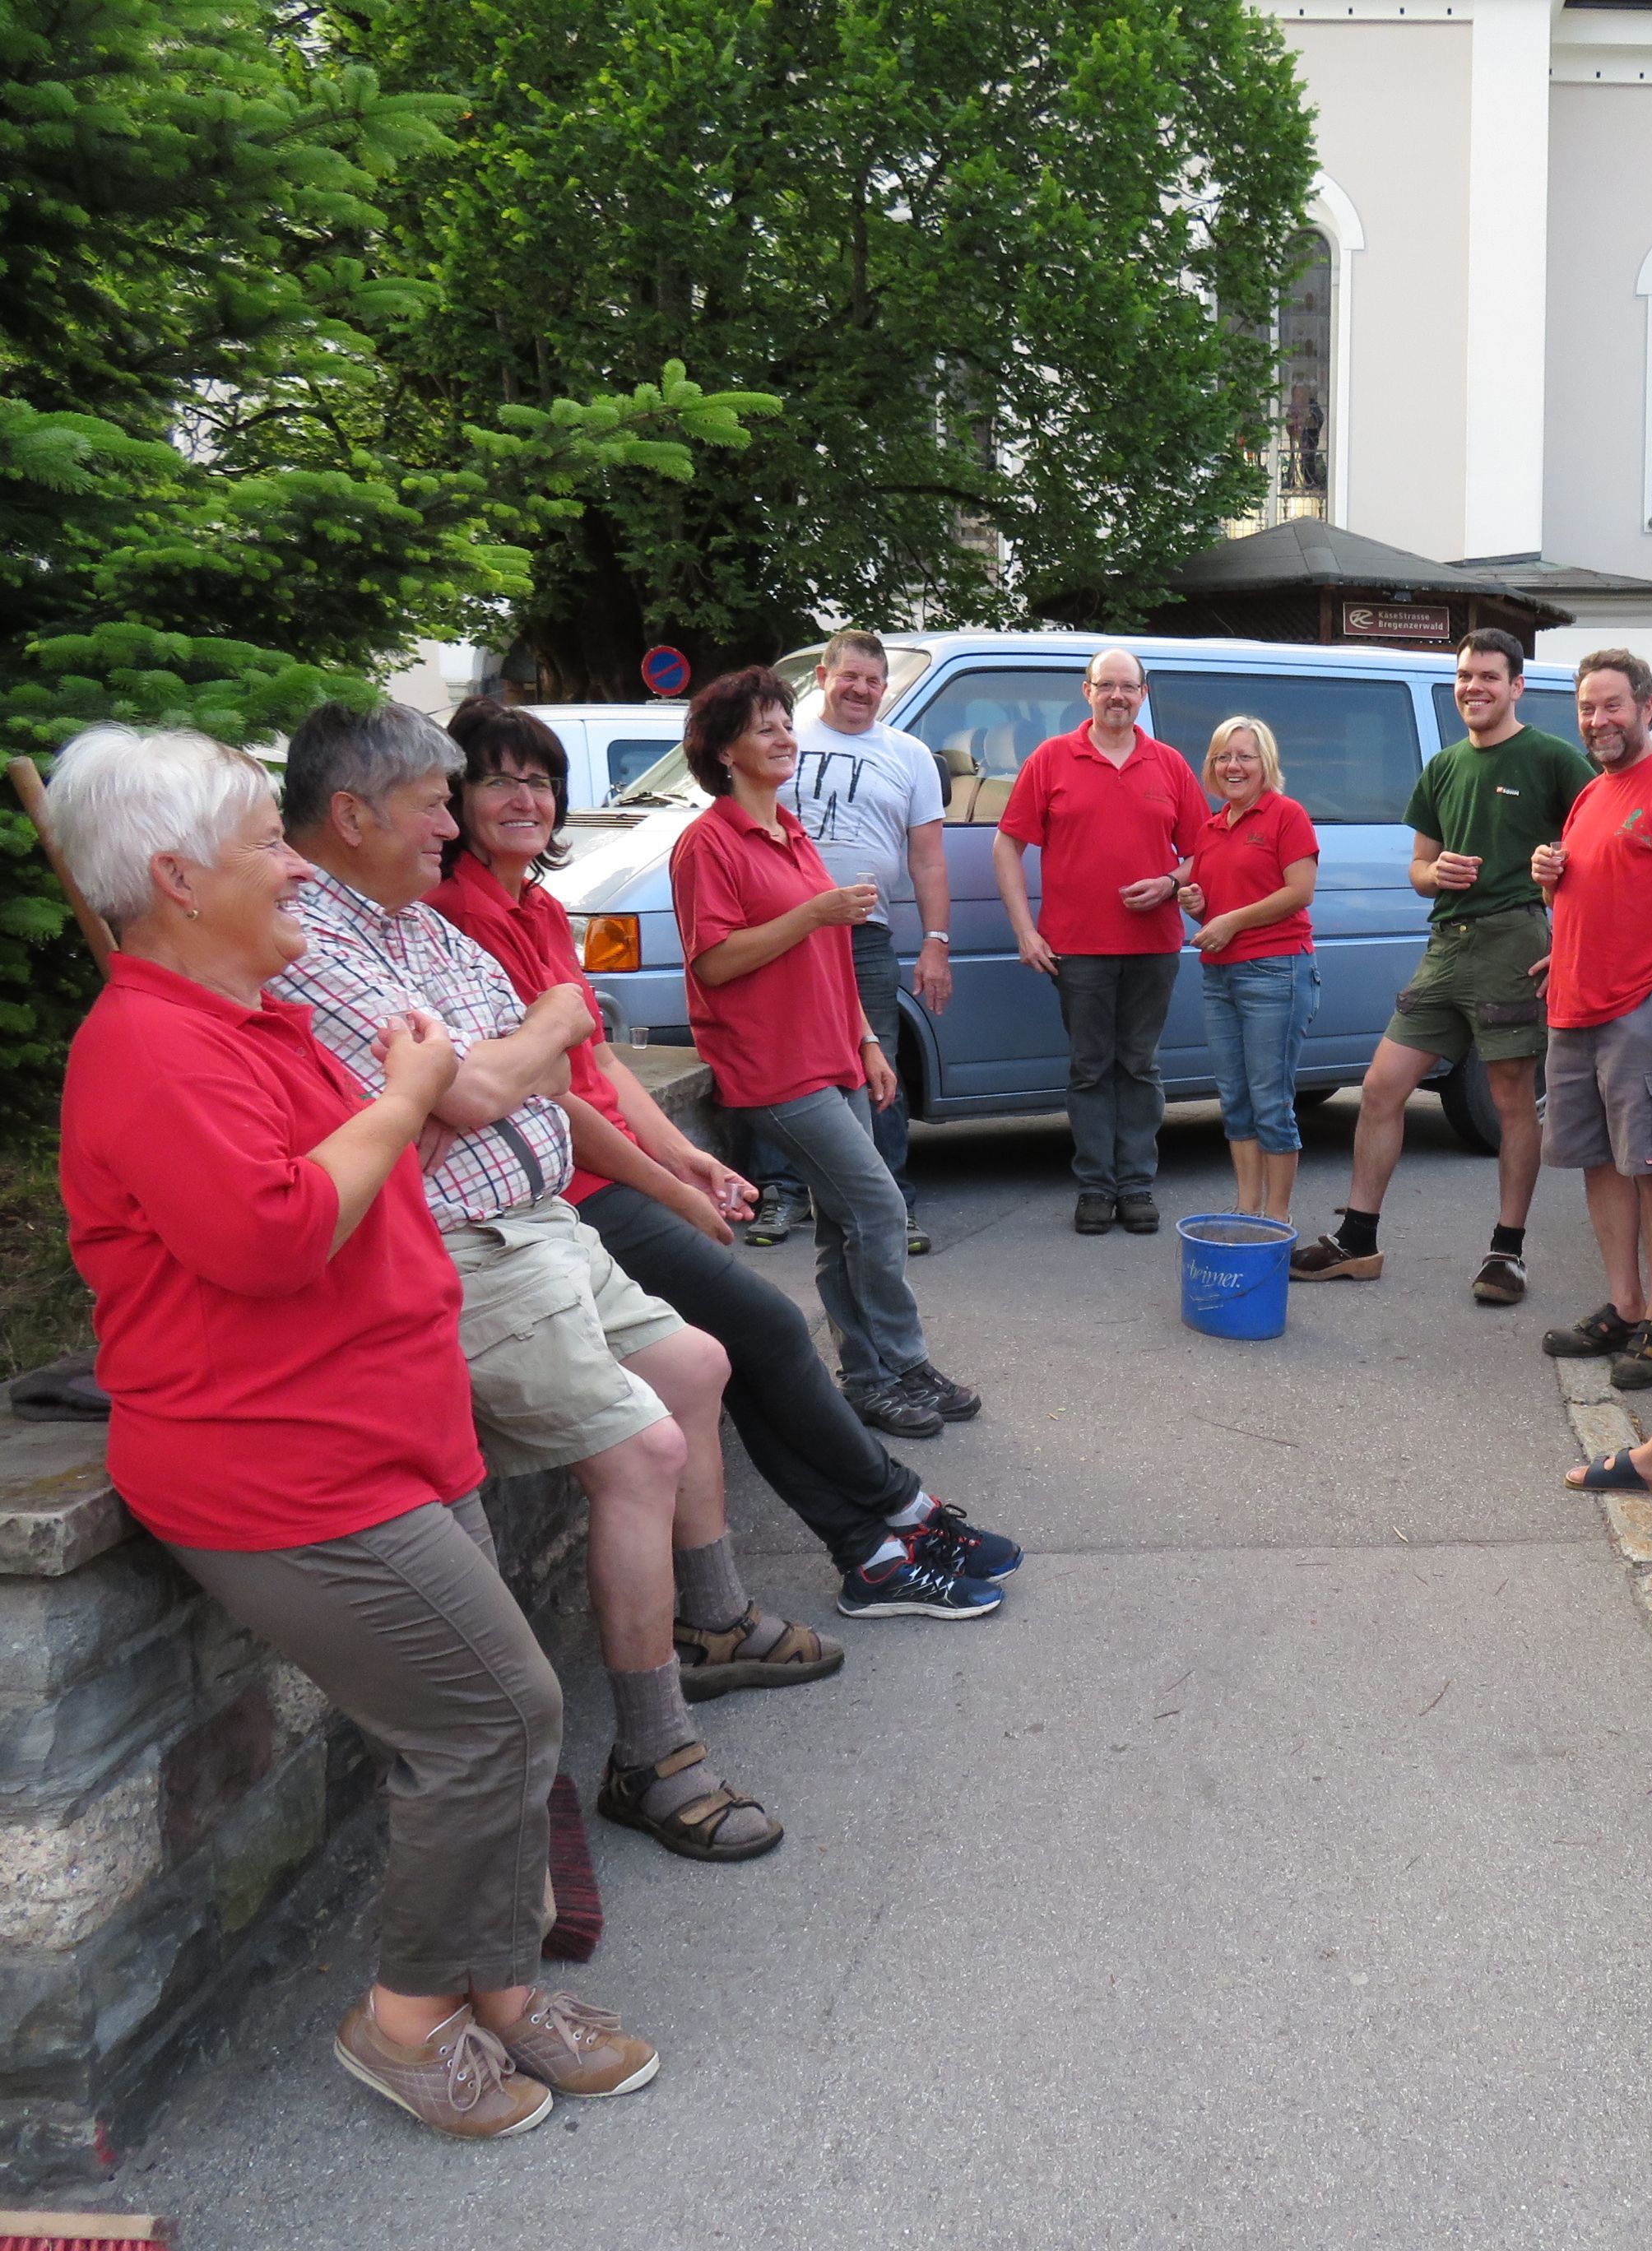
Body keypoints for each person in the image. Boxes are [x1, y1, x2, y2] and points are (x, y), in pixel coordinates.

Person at [49, 726, 657, 2139]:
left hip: (381, 1437)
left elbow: (374, 1177)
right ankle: (403, 2020)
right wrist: (397, 1099)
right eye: (266, 841)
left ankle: (501, 1991)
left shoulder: (247, 1021)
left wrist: (405, 1113)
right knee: (494, 1716)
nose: (291, 866)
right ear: (177, 877)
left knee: (492, 1724)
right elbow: (271, 1233)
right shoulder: (147, 1047)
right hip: (284, 1471)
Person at [271, 703, 803, 1867]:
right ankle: (653, 1757)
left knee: (700, 1365)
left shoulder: (420, 928)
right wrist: (545, 1027)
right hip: (465, 1248)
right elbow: (460, 1093)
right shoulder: (313, 937)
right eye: (432, 801)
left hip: (542, 1224)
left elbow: (538, 1076)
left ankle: (707, 1625)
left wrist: (666, 1159)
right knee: (645, 1448)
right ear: (353, 814)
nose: (448, 825)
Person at [427, 699, 1021, 1621]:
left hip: (629, 1159)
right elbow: (549, 1091)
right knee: (777, 1317)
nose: (526, 799)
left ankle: (874, 1539)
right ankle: (892, 1508)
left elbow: (601, 1064)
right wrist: (671, 1183)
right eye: (499, 779)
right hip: (566, 1193)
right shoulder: (457, 917)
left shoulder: (536, 905)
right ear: (451, 797)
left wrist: (689, 1164)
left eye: (541, 780)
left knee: (739, 1344)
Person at [667, 668, 987, 1447]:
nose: (786, 737)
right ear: (723, 751)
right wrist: (815, 911)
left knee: (846, 1221)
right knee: (877, 1207)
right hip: (773, 1065)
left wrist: (868, 1040)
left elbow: (830, 959)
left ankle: (877, 1370)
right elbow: (712, 962)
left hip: (831, 1052)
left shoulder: (790, 829)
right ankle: (888, 1368)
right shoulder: (708, 843)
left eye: (786, 722)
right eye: (767, 727)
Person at [1292, 629, 1593, 1302]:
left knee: (1514, 1099)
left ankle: (1505, 1255)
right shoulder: (1445, 766)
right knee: (1380, 1087)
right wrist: (1438, 871)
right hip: (1447, 945)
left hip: (1515, 941)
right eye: (1464, 676)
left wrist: (1568, 932)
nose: (1473, 688)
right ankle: (1357, 1241)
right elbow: (1419, 870)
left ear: (1516, 686)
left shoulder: (1552, 758)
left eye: (1489, 676)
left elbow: (1595, 851)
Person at [1527, 649, 1652, 1388]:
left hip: (1635, 1013)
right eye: (1587, 708)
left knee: (1651, 1168)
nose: (1598, 720)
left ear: (1647, 705)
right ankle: (1622, 1303)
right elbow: (1594, 898)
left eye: (1612, 705)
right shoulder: (1592, 794)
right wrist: (1550, 884)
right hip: (1573, 1006)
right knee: (1598, 1162)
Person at [993, 646, 1209, 1235]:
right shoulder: (1052, 759)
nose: (1118, 696)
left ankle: (1136, 1187)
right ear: (1086, 691)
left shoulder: (1168, 764)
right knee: (1091, 1069)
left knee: (1138, 1067)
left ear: (1143, 694)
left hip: (1153, 946)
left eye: (1128, 687)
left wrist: (1169, 883)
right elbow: (1006, 845)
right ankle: (1094, 1188)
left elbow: (1202, 853)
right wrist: (1025, 930)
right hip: (1077, 947)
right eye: (1106, 685)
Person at [750, 627, 953, 1256]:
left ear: (884, 688)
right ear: (822, 679)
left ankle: (889, 1200)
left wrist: (937, 940)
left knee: (876, 1063)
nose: (861, 690)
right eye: (850, 677)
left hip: (864, 933)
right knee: (780, 1059)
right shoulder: (784, 744)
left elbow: (928, 861)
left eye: (872, 680)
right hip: (786, 929)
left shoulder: (911, 754)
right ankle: (781, 1193)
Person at [1175, 715, 1319, 1223]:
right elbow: (1217, 906)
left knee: (1270, 1101)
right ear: (1212, 767)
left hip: (1276, 971)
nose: (1233, 766)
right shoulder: (1211, 827)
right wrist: (1198, 905)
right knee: (1235, 1100)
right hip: (1221, 975)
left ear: (1266, 764)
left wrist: (1231, 920)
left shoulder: (1286, 814)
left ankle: (1276, 1219)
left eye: (1244, 756)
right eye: (1223, 757)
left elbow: (1299, 892)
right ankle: (1245, 1209)